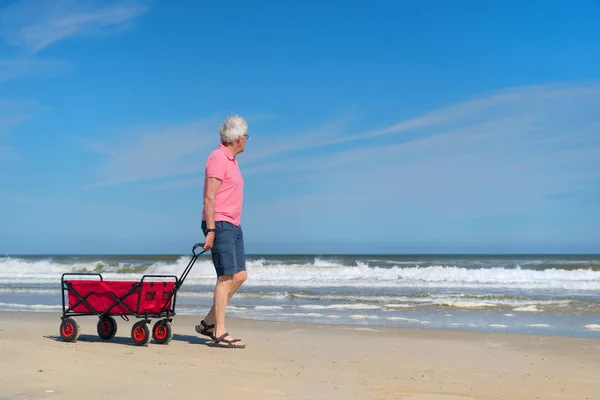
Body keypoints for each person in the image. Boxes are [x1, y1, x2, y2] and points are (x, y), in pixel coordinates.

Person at [195, 114, 249, 349]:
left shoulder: (232, 161)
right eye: (246, 136)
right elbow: (210, 196)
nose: (247, 140)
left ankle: (209, 322)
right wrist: (210, 229)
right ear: (237, 138)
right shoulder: (217, 157)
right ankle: (219, 332)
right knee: (225, 278)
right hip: (220, 224)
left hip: (234, 225)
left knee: (239, 276)